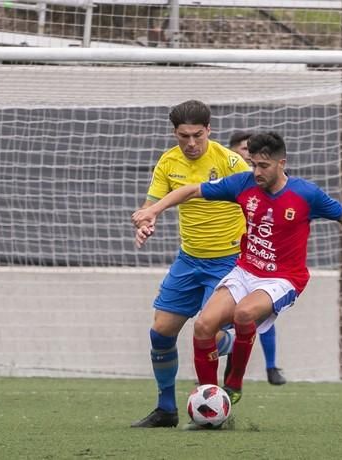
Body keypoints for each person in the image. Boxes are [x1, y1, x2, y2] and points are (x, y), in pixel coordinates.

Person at [133, 131, 342, 405]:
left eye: (263, 166)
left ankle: (234, 382)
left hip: (283, 279)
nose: (256, 171)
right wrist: (155, 210)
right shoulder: (242, 184)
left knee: (244, 313)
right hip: (245, 270)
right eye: (253, 164)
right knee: (203, 326)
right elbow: (192, 190)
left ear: (281, 163)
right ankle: (209, 400)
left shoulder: (306, 194)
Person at [130, 100, 251, 428]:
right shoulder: (168, 162)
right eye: (184, 136)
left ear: (209, 130)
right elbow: (151, 204)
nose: (192, 143)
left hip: (228, 261)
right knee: (161, 332)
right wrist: (145, 223)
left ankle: (237, 344)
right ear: (175, 133)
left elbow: (260, 197)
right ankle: (166, 408)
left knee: (207, 331)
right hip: (189, 259)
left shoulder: (230, 161)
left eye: (198, 135)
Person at [228, 130, 286, 386]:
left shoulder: (270, 184)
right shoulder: (234, 182)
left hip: (255, 259)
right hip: (226, 254)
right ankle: (213, 377)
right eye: (243, 150)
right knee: (214, 320)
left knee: (257, 311)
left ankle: (270, 367)